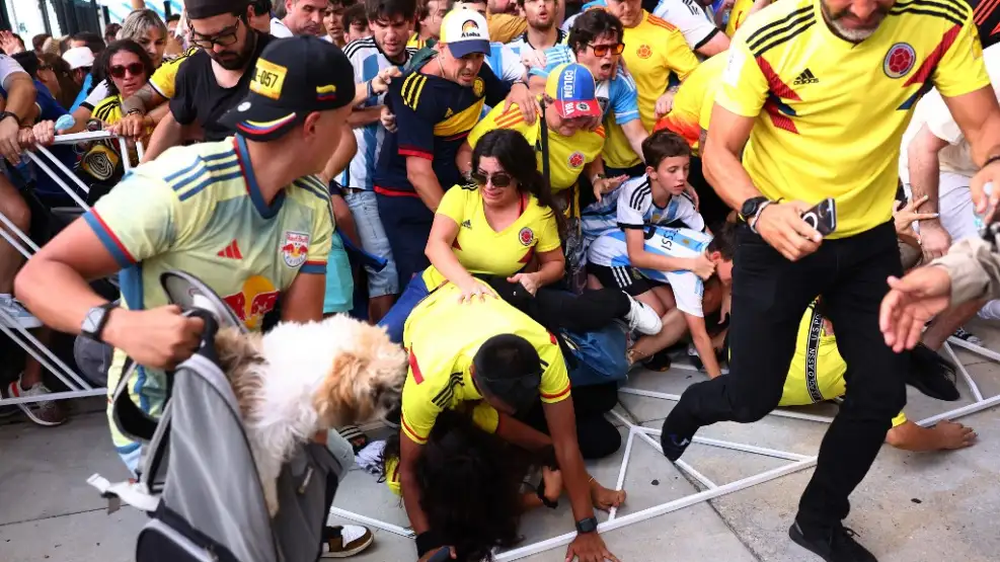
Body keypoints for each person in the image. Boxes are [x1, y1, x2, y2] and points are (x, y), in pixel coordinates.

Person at [659, 0, 1000, 560]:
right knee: (751, 398)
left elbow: (985, 124)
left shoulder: (942, 18)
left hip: (867, 242)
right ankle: (696, 404)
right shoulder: (769, 34)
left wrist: (990, 160)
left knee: (881, 393)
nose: (864, 9)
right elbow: (717, 149)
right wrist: (759, 210)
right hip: (775, 232)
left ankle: (816, 522)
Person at [14, 36, 373, 558]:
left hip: (241, 407)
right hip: (160, 422)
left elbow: (300, 347)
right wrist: (117, 325)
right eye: (343, 122)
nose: (346, 136)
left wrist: (307, 474)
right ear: (315, 127)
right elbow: (37, 276)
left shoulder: (311, 204)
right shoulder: (178, 187)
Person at [396, 281, 624, 562]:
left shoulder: (544, 352)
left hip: (479, 300)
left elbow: (564, 444)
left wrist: (587, 523)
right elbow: (409, 473)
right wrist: (428, 545)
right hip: (429, 309)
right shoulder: (430, 387)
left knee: (603, 400)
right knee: (600, 433)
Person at [380, 128, 661, 340]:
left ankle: (620, 307)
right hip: (442, 283)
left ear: (519, 177)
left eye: (500, 178)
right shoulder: (460, 195)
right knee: (386, 337)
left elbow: (555, 264)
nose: (488, 186)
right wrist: (467, 283)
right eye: (480, 176)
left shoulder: (538, 212)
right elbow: (435, 246)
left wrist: (536, 278)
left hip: (503, 294)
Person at [372, 8, 528, 291]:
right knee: (427, 282)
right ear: (441, 49)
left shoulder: (478, 73)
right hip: (408, 197)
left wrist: (519, 89)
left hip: (452, 185)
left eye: (478, 56)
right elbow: (418, 173)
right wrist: (458, 221)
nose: (471, 65)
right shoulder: (417, 91)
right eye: (463, 56)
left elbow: (506, 93)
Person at [900, 43, 1000, 330]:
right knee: (989, 258)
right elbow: (921, 149)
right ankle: (927, 348)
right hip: (939, 167)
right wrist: (930, 226)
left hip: (985, 168)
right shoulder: (994, 72)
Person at [343, 0, 418, 322]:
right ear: (371, 23)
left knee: (404, 272)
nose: (391, 34)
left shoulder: (419, 60)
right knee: (383, 271)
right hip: (361, 183)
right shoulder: (356, 53)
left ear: (412, 24)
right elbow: (335, 112)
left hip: (402, 186)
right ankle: (378, 356)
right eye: (383, 24)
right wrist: (377, 104)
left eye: (399, 25)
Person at [529, 10, 648, 171]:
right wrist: (587, 104)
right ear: (580, 48)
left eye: (614, 48)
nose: (609, 56)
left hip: (580, 159)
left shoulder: (620, 80)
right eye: (601, 49)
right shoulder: (555, 59)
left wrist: (661, 170)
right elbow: (535, 89)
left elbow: (637, 136)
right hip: (538, 149)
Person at [598, 0, 699, 178]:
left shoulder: (665, 34)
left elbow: (697, 76)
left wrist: (673, 91)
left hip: (648, 151)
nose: (627, 9)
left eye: (633, 1)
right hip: (600, 155)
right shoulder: (592, 25)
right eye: (619, 2)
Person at [653, 51, 730, 228]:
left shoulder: (730, 57)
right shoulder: (723, 88)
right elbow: (708, 152)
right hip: (684, 149)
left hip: (684, 142)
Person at [650, 0, 730, 56]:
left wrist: (722, 9)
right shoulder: (674, 9)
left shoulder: (702, 5)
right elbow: (730, 52)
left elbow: (714, 29)